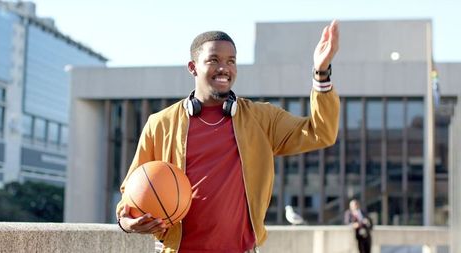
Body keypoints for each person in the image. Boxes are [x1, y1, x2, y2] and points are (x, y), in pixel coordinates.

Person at [116, 20, 340, 253]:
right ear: (193, 67)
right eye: (214, 60)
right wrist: (127, 223)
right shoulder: (160, 124)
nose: (224, 67)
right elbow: (131, 193)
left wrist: (321, 73)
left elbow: (320, 132)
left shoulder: (262, 119)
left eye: (231, 61)